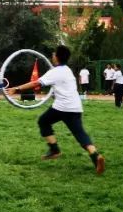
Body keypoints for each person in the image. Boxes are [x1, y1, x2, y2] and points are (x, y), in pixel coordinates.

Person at [6, 45, 105, 174]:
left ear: (57, 57)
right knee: (80, 134)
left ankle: (54, 150)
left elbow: (36, 83)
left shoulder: (55, 72)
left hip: (62, 107)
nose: (52, 56)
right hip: (75, 107)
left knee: (43, 121)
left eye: (53, 54)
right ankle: (96, 157)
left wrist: (16, 89)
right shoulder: (67, 70)